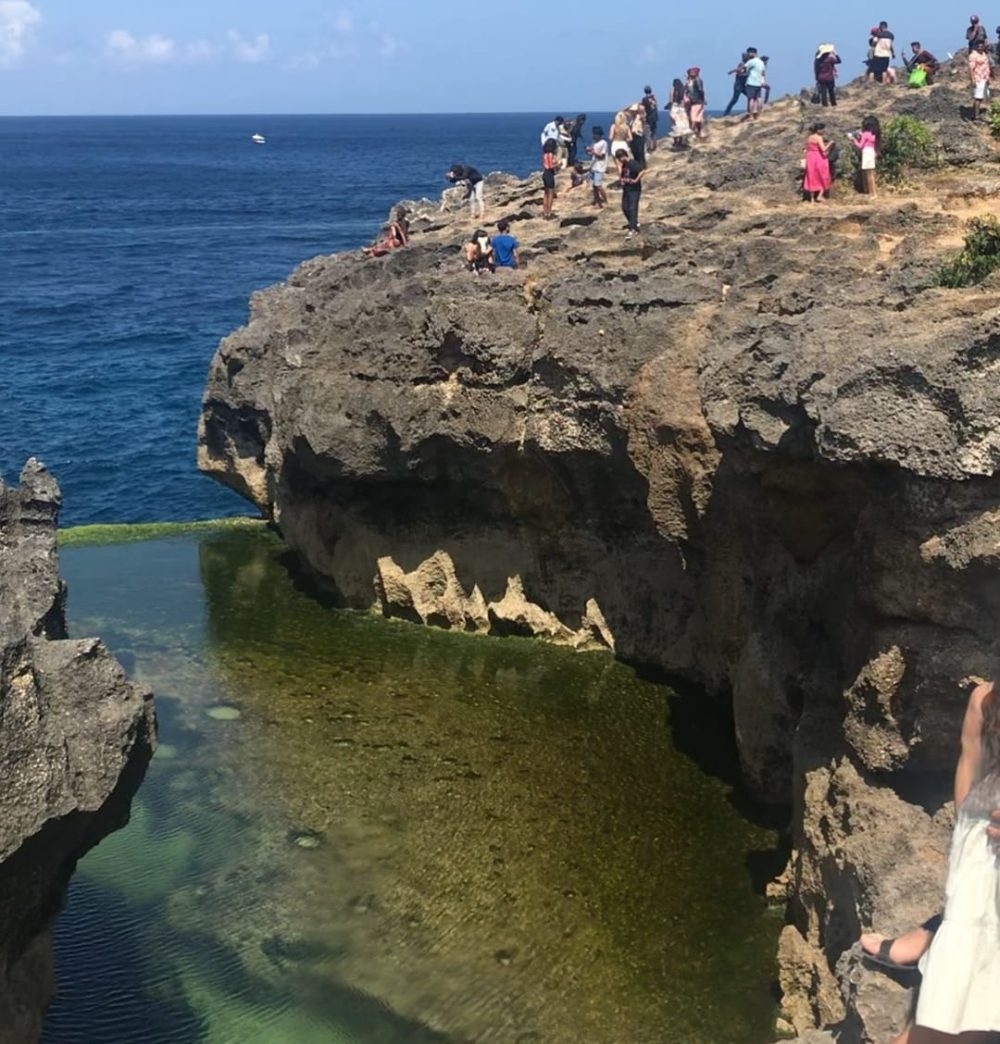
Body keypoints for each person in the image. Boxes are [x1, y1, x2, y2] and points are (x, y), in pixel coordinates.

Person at [884, 681, 1000, 1043]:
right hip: (987, 846)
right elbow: (969, 764)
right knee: (956, 1001)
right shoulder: (986, 698)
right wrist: (967, 832)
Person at [802, 122, 833, 202]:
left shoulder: (809, 137)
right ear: (818, 130)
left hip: (810, 157)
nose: (823, 131)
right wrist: (830, 143)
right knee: (822, 175)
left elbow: (807, 148)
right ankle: (820, 195)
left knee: (811, 176)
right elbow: (823, 149)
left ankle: (812, 199)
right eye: (822, 129)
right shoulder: (819, 137)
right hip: (818, 157)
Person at [851, 116, 880, 196]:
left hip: (866, 153)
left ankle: (872, 193)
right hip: (871, 152)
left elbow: (860, 146)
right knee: (871, 174)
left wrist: (854, 140)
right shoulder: (873, 134)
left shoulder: (866, 134)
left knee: (868, 174)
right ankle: (873, 192)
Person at [585, 125, 609, 209]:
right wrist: (588, 151)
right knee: (594, 186)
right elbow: (592, 153)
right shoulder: (594, 143)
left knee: (598, 185)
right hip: (593, 166)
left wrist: (593, 152)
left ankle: (605, 200)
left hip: (600, 166)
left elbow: (601, 156)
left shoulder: (603, 143)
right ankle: (597, 200)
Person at [620, 154, 644, 236]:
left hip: (634, 190)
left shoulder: (633, 163)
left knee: (632, 208)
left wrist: (636, 180)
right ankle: (633, 222)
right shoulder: (624, 165)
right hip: (626, 189)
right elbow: (623, 174)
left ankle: (633, 229)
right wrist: (622, 180)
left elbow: (642, 170)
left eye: (620, 158)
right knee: (625, 207)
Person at [969, 38, 993, 119]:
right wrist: (972, 80)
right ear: (975, 46)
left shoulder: (984, 54)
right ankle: (976, 116)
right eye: (978, 46)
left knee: (983, 96)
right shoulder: (973, 55)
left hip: (985, 78)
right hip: (978, 78)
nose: (980, 47)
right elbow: (970, 69)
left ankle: (974, 113)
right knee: (978, 97)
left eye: (981, 46)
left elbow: (986, 66)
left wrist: (988, 78)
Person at [743, 47, 766, 119]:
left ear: (752, 53)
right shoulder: (761, 62)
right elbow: (763, 73)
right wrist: (763, 80)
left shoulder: (751, 61)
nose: (748, 55)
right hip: (758, 83)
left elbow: (743, 68)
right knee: (758, 98)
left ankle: (750, 114)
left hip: (751, 82)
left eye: (748, 53)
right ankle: (758, 113)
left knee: (751, 99)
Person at [669, 79, 694, 147]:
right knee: (681, 126)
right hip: (681, 108)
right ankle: (681, 141)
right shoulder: (683, 90)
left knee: (675, 125)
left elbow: (671, 99)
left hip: (674, 108)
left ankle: (675, 141)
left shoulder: (673, 89)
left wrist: (670, 107)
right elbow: (684, 100)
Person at [609, 110, 633, 178]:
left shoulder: (613, 126)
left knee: (618, 165)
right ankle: (626, 177)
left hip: (615, 144)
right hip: (623, 144)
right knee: (624, 164)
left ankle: (621, 179)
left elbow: (610, 137)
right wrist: (625, 139)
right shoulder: (626, 127)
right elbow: (630, 138)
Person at [685, 67, 707, 138]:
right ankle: (699, 132)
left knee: (693, 118)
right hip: (695, 102)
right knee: (698, 118)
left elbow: (700, 91)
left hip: (697, 101)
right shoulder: (692, 81)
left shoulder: (697, 80)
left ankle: (692, 133)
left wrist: (703, 99)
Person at [541, 138, 559, 219]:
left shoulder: (544, 154)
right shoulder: (551, 155)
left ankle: (545, 212)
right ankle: (549, 212)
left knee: (546, 193)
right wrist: (558, 164)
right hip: (549, 174)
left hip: (545, 174)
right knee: (551, 194)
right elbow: (550, 166)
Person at [641, 86, 659, 151]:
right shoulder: (654, 98)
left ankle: (649, 147)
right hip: (655, 117)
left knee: (647, 132)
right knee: (654, 132)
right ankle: (655, 146)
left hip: (648, 117)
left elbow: (643, 109)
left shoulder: (644, 99)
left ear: (645, 91)